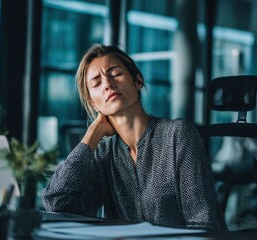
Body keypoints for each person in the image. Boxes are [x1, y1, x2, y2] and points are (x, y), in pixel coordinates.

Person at [41, 44, 224, 229]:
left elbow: (204, 222)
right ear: (93, 103)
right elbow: (56, 203)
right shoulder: (103, 154)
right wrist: (89, 139)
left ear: (138, 80)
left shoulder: (177, 135)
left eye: (115, 74)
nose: (107, 84)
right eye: (96, 82)